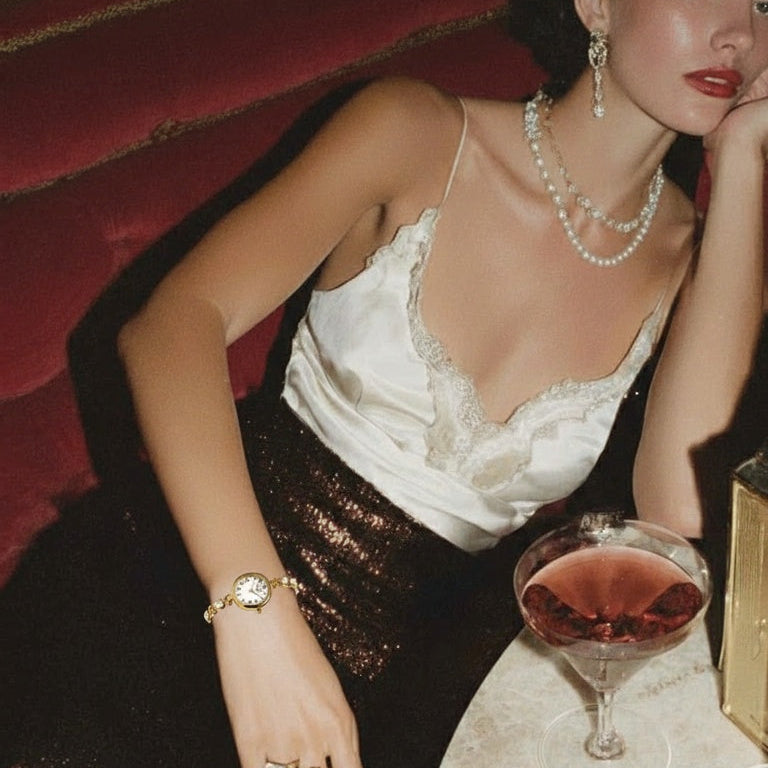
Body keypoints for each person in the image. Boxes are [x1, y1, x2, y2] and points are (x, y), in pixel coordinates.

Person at [3, 1, 767, 767]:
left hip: (410, 676)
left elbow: (681, 509)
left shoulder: (694, 261)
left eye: (765, 4)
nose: (739, 33)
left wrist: (740, 161)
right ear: (598, 2)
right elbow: (168, 326)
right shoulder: (414, 130)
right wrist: (256, 616)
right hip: (186, 580)